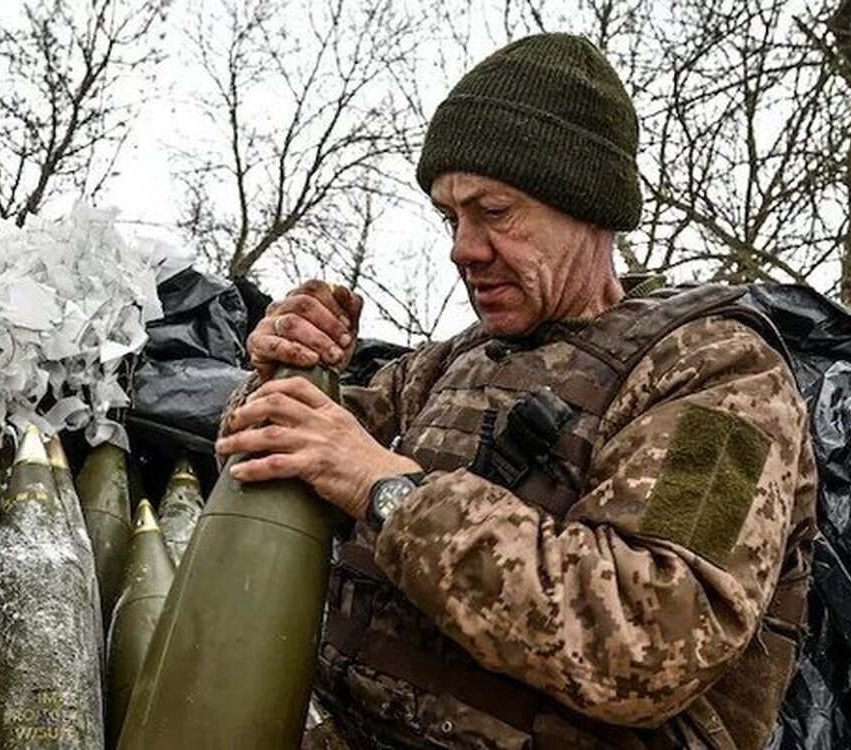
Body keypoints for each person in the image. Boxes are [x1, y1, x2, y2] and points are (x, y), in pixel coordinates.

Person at [215, 33, 817, 750]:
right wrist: (287, 371)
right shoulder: (446, 368)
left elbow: (654, 637)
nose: (461, 248)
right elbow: (265, 461)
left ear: (584, 205)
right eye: (451, 217)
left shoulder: (724, 382)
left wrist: (384, 490)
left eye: (493, 212)